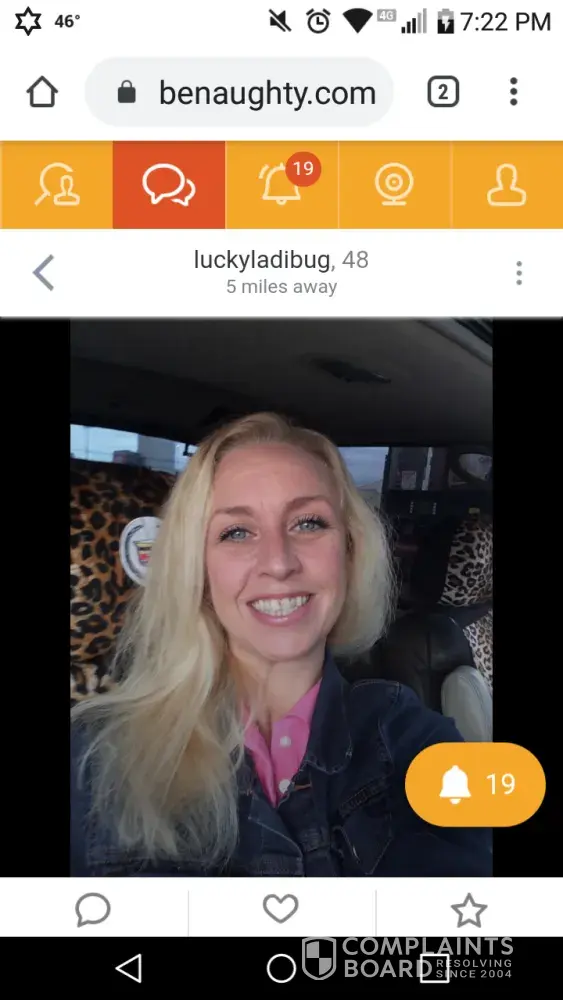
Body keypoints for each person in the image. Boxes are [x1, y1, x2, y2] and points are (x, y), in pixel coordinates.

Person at [70, 412, 492, 877]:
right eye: (236, 532)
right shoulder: (94, 758)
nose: (278, 562)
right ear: (198, 569)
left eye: (308, 523)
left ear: (350, 551)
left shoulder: (415, 740)